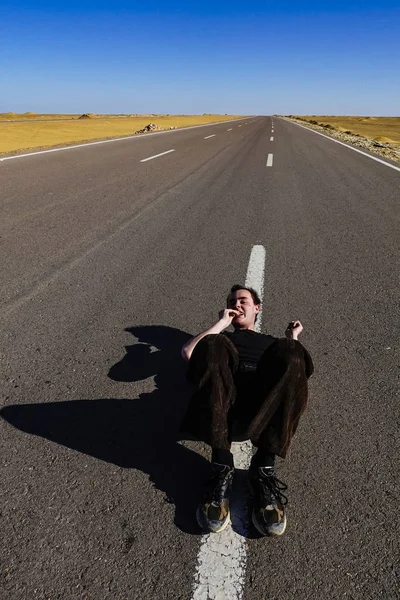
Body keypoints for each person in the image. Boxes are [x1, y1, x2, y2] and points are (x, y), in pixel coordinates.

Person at [179, 284, 314, 536]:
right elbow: (189, 353)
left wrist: (291, 339)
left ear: (257, 308)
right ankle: (221, 466)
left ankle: (263, 469)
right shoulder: (222, 340)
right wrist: (220, 324)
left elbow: (295, 375)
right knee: (213, 344)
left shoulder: (273, 344)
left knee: (293, 351)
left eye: (243, 300)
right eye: (232, 301)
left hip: (263, 411)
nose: (237, 304)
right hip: (223, 409)